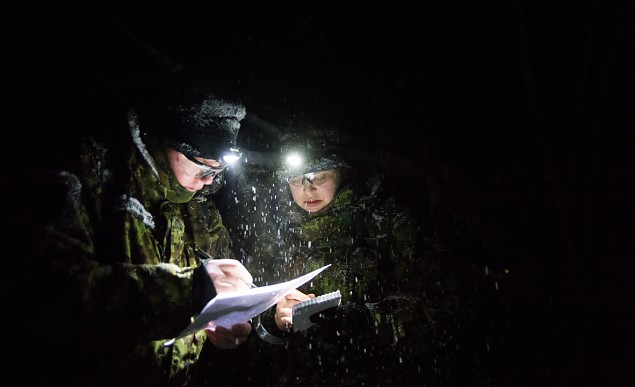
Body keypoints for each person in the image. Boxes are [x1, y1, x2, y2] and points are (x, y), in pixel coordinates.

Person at [10, 74, 256, 386]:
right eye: (204, 168)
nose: (210, 181)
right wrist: (185, 294)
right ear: (168, 143)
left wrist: (231, 320)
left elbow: (220, 289)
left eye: (219, 172)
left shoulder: (199, 207)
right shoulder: (93, 172)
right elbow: (42, 294)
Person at [230, 125, 463, 386]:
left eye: (318, 176)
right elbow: (246, 317)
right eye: (296, 180)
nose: (307, 189)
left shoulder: (386, 220)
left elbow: (442, 305)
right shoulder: (276, 231)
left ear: (341, 172)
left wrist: (366, 321)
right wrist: (274, 322)